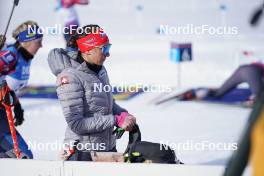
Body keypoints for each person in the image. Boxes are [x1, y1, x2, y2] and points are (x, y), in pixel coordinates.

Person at [48, 24, 136, 161]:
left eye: (109, 47)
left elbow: (108, 104)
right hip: (82, 153)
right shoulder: (69, 77)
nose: (108, 53)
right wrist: (114, 120)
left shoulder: (100, 70)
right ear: (88, 50)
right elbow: (76, 123)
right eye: (104, 49)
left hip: (107, 148)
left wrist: (122, 114)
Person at [0, 20, 43, 158]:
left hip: (3, 115)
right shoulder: (10, 55)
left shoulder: (26, 58)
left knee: (15, 158)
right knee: (23, 157)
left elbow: (9, 86)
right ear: (28, 42)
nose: (41, 46)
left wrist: (17, 105)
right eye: (38, 42)